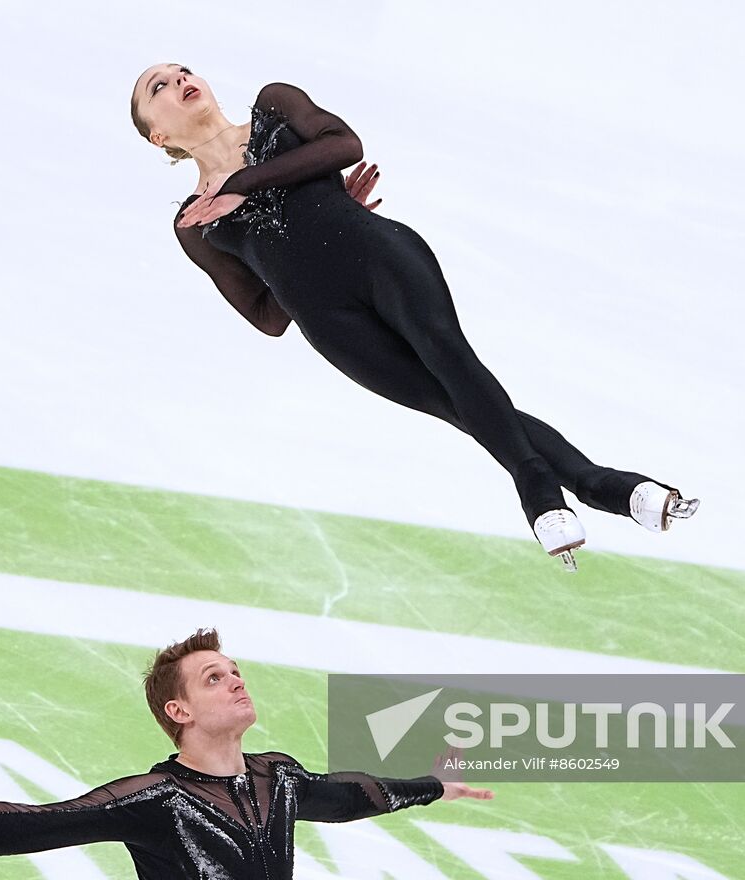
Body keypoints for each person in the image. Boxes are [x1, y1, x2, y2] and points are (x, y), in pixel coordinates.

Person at [129, 63, 700, 570]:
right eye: (159, 87)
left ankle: (541, 494)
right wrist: (289, 251)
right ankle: (608, 488)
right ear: (159, 135)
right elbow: (266, 315)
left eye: (183, 71)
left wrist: (248, 185)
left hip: (378, 257)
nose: (180, 80)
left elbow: (343, 145)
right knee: (455, 405)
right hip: (331, 323)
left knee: (452, 361)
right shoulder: (195, 222)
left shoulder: (273, 105)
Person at [0, 628, 491, 879]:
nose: (236, 680)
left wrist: (431, 786)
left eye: (235, 670)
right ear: (179, 713)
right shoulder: (154, 800)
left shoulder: (277, 777)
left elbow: (347, 796)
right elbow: (27, 825)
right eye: (214, 678)